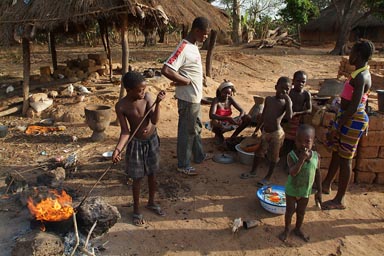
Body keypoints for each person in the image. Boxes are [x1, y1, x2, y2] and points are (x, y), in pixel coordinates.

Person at [321, 40, 374, 210]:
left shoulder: (361, 76)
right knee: (337, 152)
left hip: (353, 120)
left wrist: (338, 125)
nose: (349, 55)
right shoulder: (359, 73)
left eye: (351, 52)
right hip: (347, 117)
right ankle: (326, 184)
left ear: (358, 55)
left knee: (345, 159)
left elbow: (354, 106)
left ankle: (340, 200)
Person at [112, 71, 166, 226]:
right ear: (128, 90)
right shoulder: (121, 106)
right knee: (137, 178)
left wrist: (158, 103)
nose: (143, 92)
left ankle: (151, 202)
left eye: (144, 89)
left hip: (152, 140)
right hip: (135, 143)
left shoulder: (148, 97)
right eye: (139, 90)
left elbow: (154, 120)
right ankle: (136, 210)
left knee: (152, 174)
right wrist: (117, 150)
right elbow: (125, 132)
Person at [161, 17, 210, 176]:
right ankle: (183, 164)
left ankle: (199, 155)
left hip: (194, 99)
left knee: (196, 129)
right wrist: (185, 81)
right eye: (205, 34)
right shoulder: (183, 47)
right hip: (188, 100)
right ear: (196, 31)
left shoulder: (194, 46)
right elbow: (167, 69)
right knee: (186, 132)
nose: (206, 37)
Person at [240, 77, 293, 186]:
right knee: (259, 152)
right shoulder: (269, 99)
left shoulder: (285, 103)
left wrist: (289, 101)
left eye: (287, 89)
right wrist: (257, 129)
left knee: (274, 157)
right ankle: (253, 172)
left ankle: (268, 177)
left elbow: (289, 117)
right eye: (282, 88)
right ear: (276, 87)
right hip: (265, 132)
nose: (284, 91)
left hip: (276, 134)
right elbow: (263, 116)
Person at [279, 124, 322, 243]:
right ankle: (287, 229)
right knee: (290, 211)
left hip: (305, 190)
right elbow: (292, 172)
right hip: (292, 189)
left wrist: (319, 191)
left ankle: (297, 228)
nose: (302, 144)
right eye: (299, 141)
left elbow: (318, 174)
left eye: (307, 141)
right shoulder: (291, 156)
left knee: (301, 211)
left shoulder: (316, 157)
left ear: (313, 142)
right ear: (295, 141)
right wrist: (301, 159)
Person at [281, 71, 312, 169]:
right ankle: (285, 161)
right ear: (293, 81)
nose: (301, 83)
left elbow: (309, 109)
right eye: (298, 81)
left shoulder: (306, 94)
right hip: (287, 120)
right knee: (286, 141)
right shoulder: (289, 92)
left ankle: (292, 164)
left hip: (297, 120)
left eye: (303, 82)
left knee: (295, 142)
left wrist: (297, 113)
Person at [208, 80, 251, 145]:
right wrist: (227, 118)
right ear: (220, 92)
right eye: (225, 93)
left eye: (229, 93)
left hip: (229, 122)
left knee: (247, 117)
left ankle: (234, 136)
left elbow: (242, 110)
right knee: (215, 122)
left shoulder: (230, 99)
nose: (227, 95)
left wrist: (240, 117)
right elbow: (211, 115)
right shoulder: (216, 100)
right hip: (219, 123)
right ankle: (219, 135)